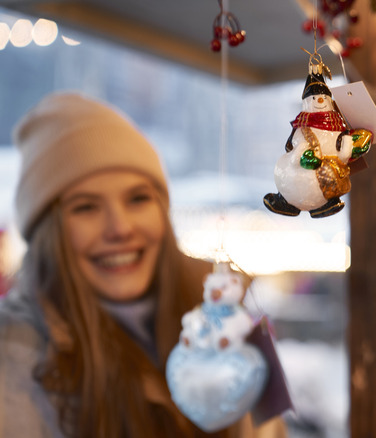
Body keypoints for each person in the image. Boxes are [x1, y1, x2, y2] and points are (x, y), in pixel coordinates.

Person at [0, 92, 288, 437]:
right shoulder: (13, 358)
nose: (120, 228)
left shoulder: (230, 315)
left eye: (137, 199)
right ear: (48, 233)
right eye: (85, 207)